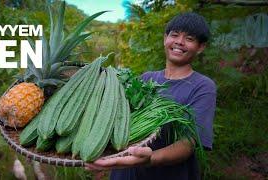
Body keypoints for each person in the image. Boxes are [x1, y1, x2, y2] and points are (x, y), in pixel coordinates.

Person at [85, 12, 217, 180]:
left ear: (200, 47)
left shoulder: (203, 86)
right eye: (174, 35)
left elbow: (188, 144)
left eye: (189, 39)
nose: (179, 42)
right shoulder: (146, 79)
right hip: (124, 173)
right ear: (165, 39)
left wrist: (149, 158)